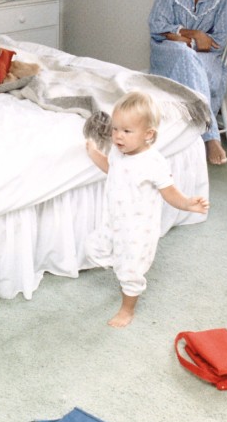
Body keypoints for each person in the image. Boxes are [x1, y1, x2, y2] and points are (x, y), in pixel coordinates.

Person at [84, 91, 210, 328]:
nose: (118, 136)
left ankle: (127, 309)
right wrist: (94, 153)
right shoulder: (117, 152)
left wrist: (187, 203)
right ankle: (117, 261)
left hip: (137, 230)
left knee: (130, 270)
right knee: (96, 247)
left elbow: (169, 192)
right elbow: (111, 169)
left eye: (127, 131)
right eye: (115, 129)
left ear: (148, 135)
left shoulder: (153, 163)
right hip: (113, 219)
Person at [148, 0, 227, 166]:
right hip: (167, 53)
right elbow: (156, 25)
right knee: (180, 52)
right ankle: (210, 136)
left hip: (205, 59)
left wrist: (178, 35)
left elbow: (217, 42)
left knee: (186, 55)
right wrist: (194, 34)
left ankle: (197, 132)